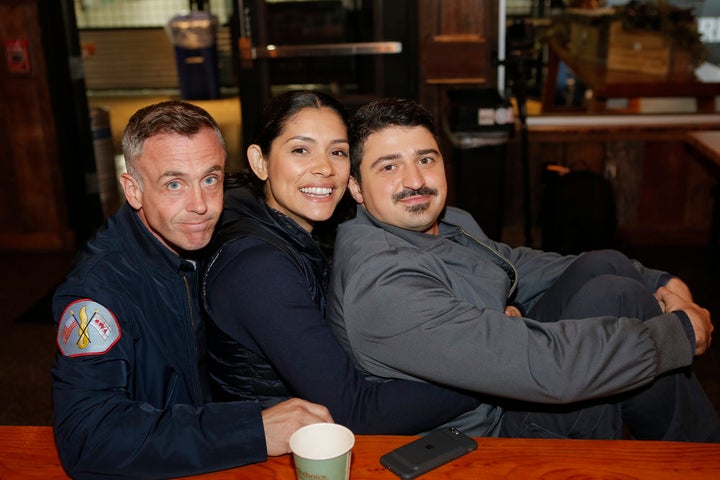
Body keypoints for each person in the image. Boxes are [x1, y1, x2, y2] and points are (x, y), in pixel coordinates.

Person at [326, 97, 720, 441]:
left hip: (510, 390)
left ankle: (693, 448)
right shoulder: (382, 282)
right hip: (486, 439)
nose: (415, 180)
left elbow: (518, 264)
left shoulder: (446, 222)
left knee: (607, 267)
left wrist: (664, 282)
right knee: (622, 300)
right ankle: (702, 455)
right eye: (389, 167)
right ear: (357, 188)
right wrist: (680, 334)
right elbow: (549, 367)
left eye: (425, 159)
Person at [51, 100, 332, 480]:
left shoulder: (198, 233)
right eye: (173, 184)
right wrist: (252, 429)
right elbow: (89, 437)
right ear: (133, 190)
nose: (200, 205)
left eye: (210, 179)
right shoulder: (98, 292)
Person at [201, 90, 480, 435]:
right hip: (280, 461)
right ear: (260, 161)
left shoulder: (306, 230)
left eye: (338, 152)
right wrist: (490, 375)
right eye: (301, 150)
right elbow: (354, 411)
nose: (324, 168)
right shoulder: (258, 269)